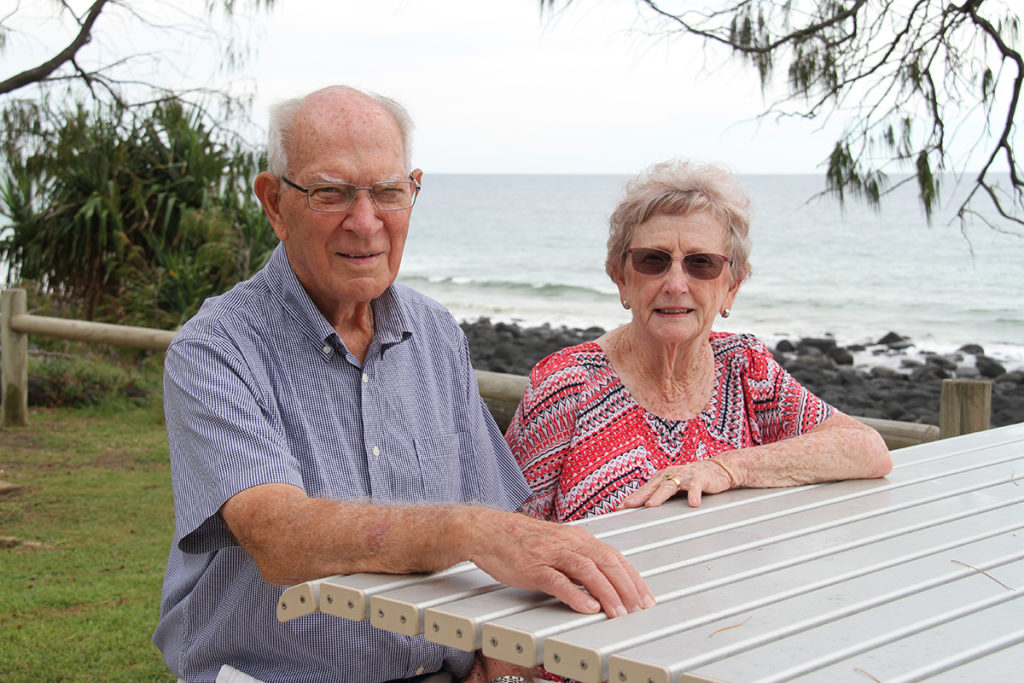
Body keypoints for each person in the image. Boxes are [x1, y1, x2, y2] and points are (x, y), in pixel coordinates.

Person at [154, 85, 653, 683]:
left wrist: (499, 659)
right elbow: (277, 537)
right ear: (274, 203)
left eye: (388, 192)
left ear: (412, 190)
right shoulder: (216, 347)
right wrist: (465, 531)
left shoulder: (435, 333)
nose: (365, 223)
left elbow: (498, 514)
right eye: (330, 192)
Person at [507, 160, 893, 526]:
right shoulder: (567, 384)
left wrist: (727, 468)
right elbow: (508, 532)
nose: (676, 284)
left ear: (731, 288)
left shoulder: (744, 368)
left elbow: (866, 448)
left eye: (701, 264)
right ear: (621, 278)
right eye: (653, 261)